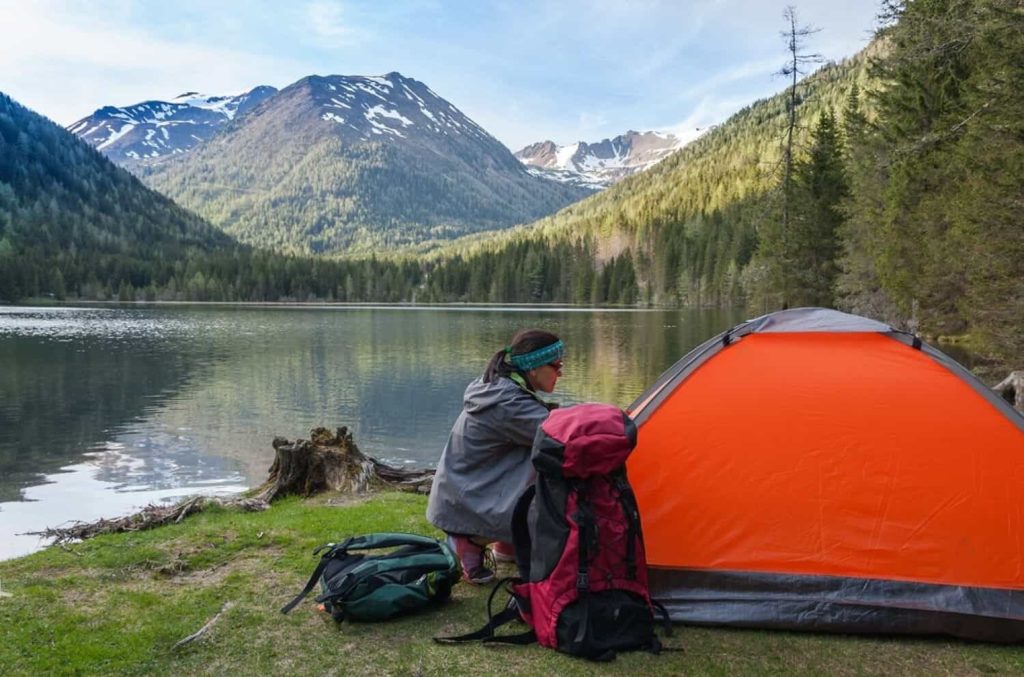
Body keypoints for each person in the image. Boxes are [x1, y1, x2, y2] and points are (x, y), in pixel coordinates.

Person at [426, 329, 564, 584]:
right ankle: (467, 540)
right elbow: (557, 434)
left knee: (537, 457)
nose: (561, 372)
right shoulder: (508, 403)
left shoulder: (503, 387)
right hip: (465, 499)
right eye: (556, 366)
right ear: (533, 368)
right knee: (555, 463)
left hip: (463, 490)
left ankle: (506, 540)